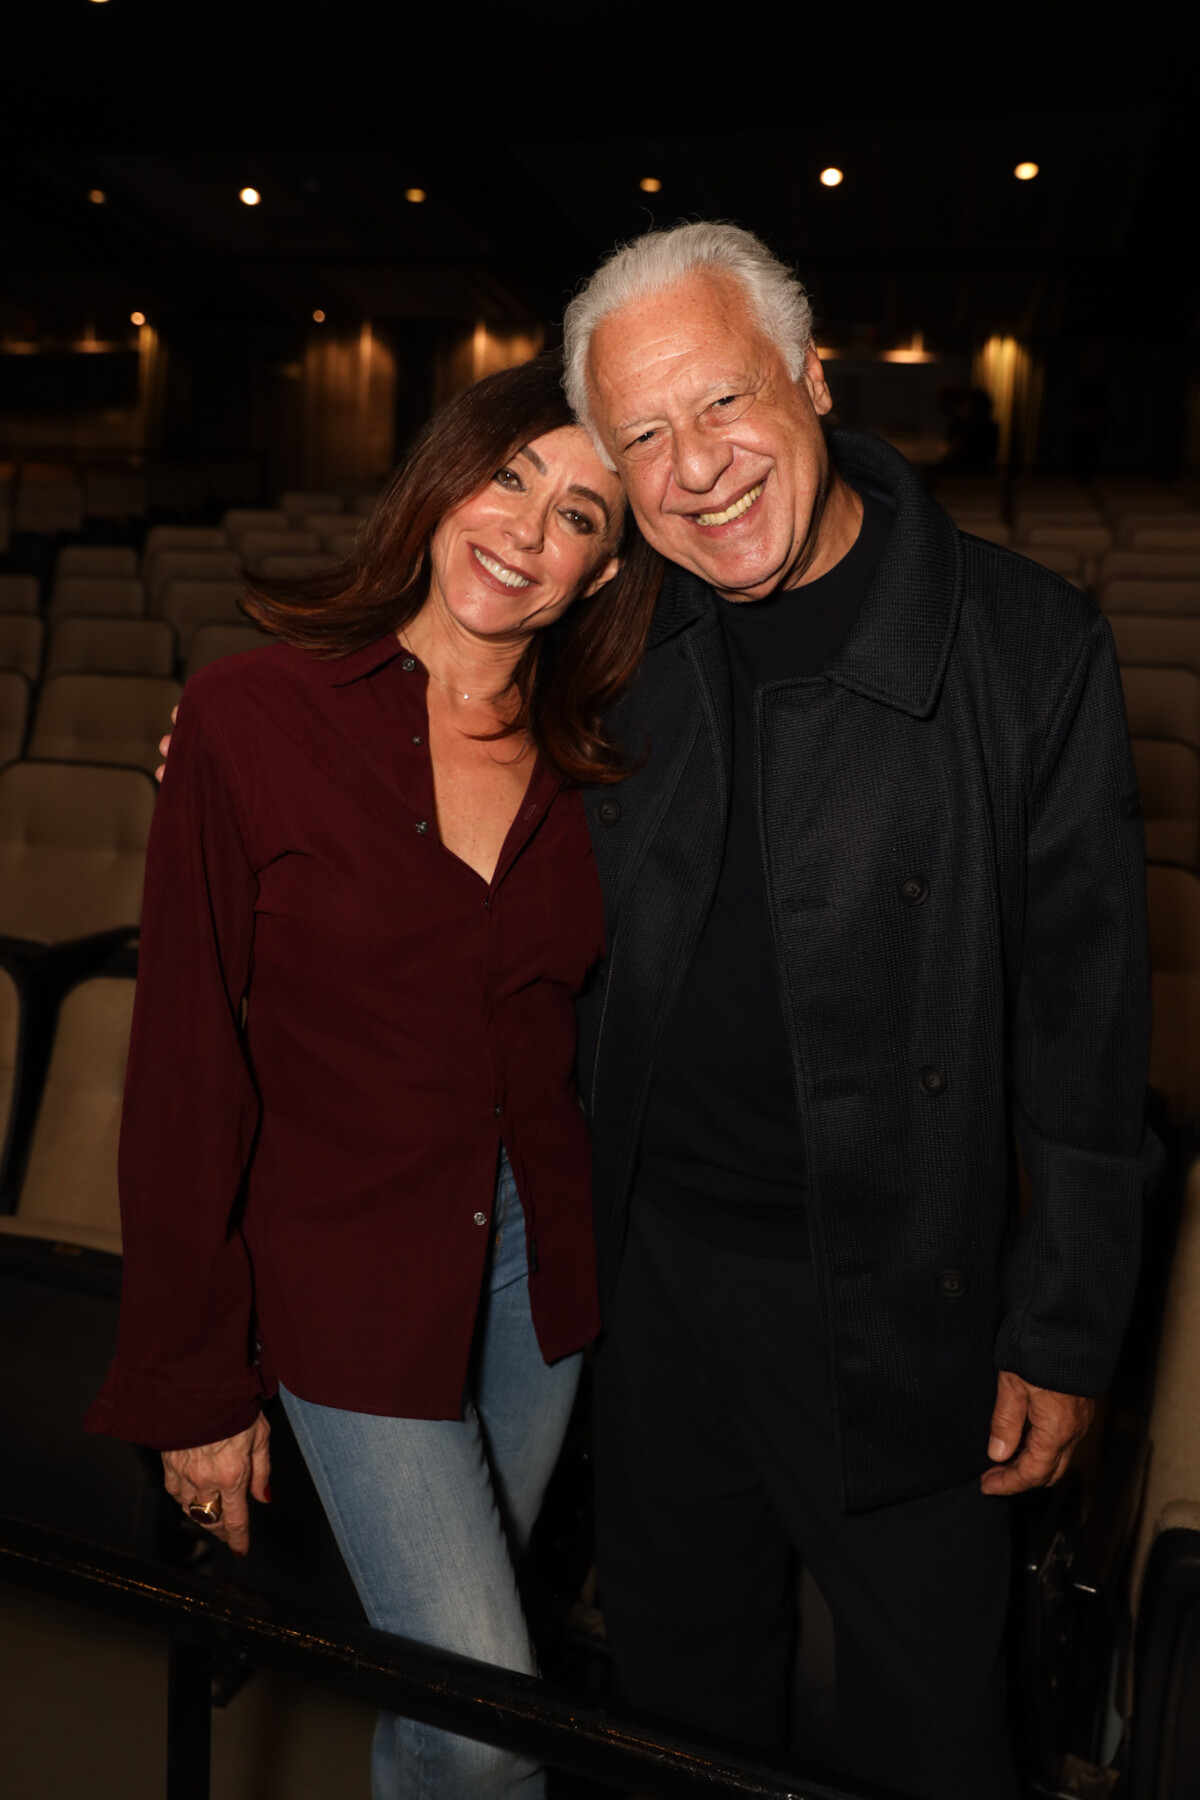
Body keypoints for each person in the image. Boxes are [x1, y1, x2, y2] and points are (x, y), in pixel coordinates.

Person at [557, 224, 1159, 1799]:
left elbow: (1090, 1027)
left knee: (933, 1729)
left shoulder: (1030, 648)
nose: (694, 471)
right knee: (676, 1707)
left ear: (814, 379)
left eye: (724, 402)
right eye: (643, 437)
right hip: (657, 1278)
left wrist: (1067, 1323)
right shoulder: (614, 633)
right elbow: (438, 728)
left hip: (906, 1293)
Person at [85, 352, 662, 1800]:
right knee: (488, 1732)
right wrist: (192, 1380)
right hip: (341, 1270)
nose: (529, 531)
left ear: (603, 577)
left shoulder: (608, 773)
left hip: (537, 1279)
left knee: (443, 1693)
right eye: (511, 475)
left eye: (583, 516)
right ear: (443, 477)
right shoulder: (246, 720)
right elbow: (181, 1074)